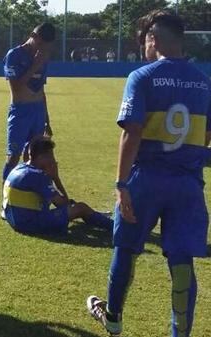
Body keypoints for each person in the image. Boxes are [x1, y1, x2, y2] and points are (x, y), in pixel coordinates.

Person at [86, 10, 211, 337]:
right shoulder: (204, 82)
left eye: (144, 40)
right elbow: (206, 137)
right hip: (187, 185)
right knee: (182, 263)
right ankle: (179, 333)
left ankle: (113, 318)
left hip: (146, 180)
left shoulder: (142, 77)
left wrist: (120, 184)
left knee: (125, 249)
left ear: (153, 39)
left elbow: (131, 133)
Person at [2, 23, 67, 215]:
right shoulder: (14, 55)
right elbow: (17, 87)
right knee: (13, 157)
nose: (43, 49)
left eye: (47, 46)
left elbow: (41, 90)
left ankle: (34, 199)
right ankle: (6, 203)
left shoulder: (43, 56)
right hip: (21, 112)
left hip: (38, 112)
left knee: (37, 157)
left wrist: (47, 119)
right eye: (41, 43)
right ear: (32, 36)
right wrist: (35, 65)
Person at [2, 137, 113, 235]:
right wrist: (56, 177)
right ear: (41, 157)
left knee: (73, 205)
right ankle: (115, 226)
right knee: (81, 207)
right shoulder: (37, 175)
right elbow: (63, 203)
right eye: (51, 156)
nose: (53, 160)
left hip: (15, 221)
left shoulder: (19, 168)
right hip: (30, 224)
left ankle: (97, 217)